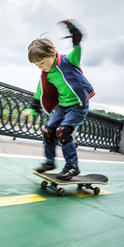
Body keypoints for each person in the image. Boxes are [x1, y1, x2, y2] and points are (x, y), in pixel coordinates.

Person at [23, 20, 95, 180]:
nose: (39, 67)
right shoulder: (46, 74)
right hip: (63, 106)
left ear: (51, 54)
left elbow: (77, 49)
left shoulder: (68, 61)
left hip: (77, 105)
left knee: (63, 133)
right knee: (48, 130)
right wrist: (33, 108)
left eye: (41, 62)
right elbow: (40, 91)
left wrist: (76, 37)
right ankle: (50, 162)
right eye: (36, 64)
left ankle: (72, 166)